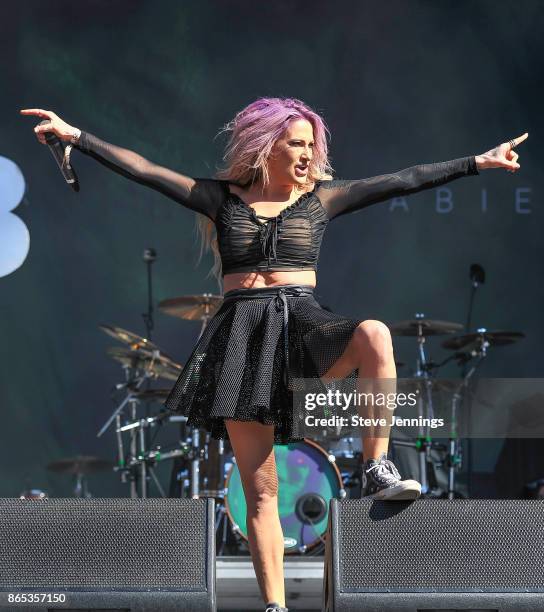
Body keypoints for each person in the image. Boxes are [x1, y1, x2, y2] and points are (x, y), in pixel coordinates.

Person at [21, 99, 527, 612]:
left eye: (312, 145)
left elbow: (404, 179)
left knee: (374, 335)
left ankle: (376, 468)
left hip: (304, 324)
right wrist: (76, 136)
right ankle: (275, 607)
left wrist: (477, 162)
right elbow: (145, 170)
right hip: (241, 335)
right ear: (267, 148)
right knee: (260, 491)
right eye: (297, 144)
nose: (308, 155)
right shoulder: (221, 198)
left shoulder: (321, 199)